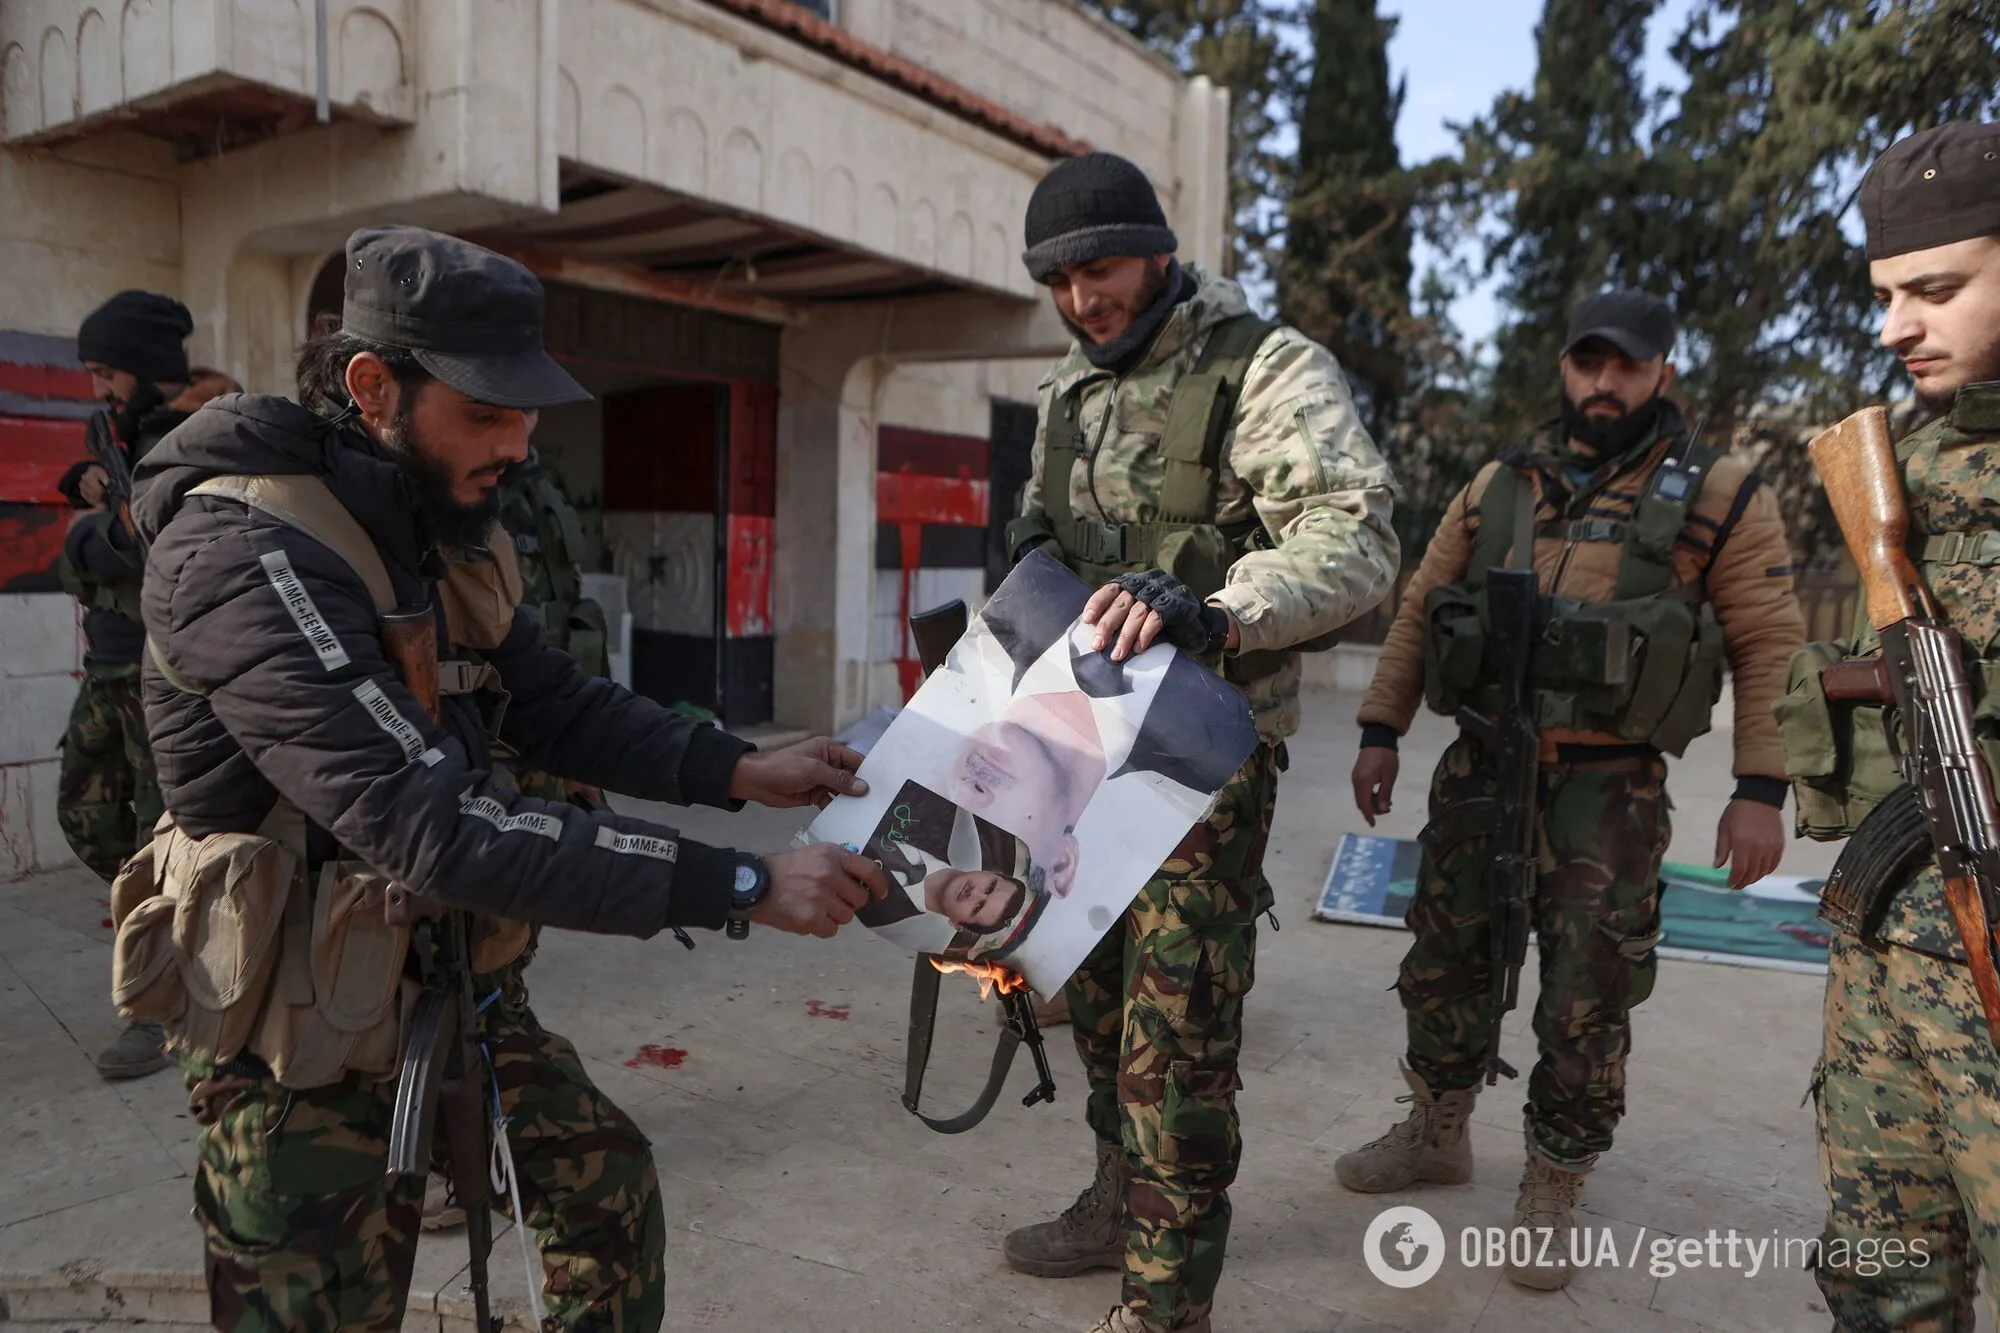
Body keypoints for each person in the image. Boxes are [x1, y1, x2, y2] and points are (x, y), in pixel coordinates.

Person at [126, 225, 891, 1333]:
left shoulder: (433, 525)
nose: (520, 445)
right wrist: (741, 886)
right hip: (301, 1043)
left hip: (448, 982)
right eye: (487, 412)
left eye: (526, 411)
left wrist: (739, 766)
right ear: (372, 385)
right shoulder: (243, 554)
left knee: (605, 1193)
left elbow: (545, 697)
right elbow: (431, 821)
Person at [997, 151, 1400, 1333]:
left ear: (1159, 251)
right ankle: (1116, 1198)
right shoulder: (1067, 390)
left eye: (1101, 270)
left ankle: (1167, 1302)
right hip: (1077, 747)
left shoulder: (1260, 369)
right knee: (1089, 993)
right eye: (1057, 281)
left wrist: (1219, 610)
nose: (1081, 300)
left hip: (1198, 758)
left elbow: (1354, 534)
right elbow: (1038, 539)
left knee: (1172, 1039)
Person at [1337, 288, 1806, 1290]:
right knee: (1443, 958)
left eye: (1625, 366)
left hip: (1610, 788)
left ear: (1660, 374)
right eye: (1587, 363)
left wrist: (1759, 785)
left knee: (1588, 992)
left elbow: (1769, 641)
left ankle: (1552, 1178)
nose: (1604, 383)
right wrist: (1379, 728)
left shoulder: (1718, 489)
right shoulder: (1499, 482)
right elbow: (1419, 607)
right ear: (1563, 368)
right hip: (1479, 765)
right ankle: (1437, 1126)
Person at [1780, 121, 2000, 1328]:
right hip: (1884, 960)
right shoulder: (1905, 466)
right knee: (1878, 1280)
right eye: (1883, 295)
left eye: (1935, 289)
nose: (1892, 328)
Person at [56, 291, 236, 1080]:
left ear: (148, 368)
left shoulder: (196, 433)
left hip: (164, 665)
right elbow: (119, 530)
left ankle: (159, 1004)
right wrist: (91, 487)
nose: (101, 388)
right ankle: (185, 934)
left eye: (108, 371)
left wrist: (85, 536)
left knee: (155, 835)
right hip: (110, 657)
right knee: (87, 813)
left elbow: (151, 545)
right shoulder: (125, 431)